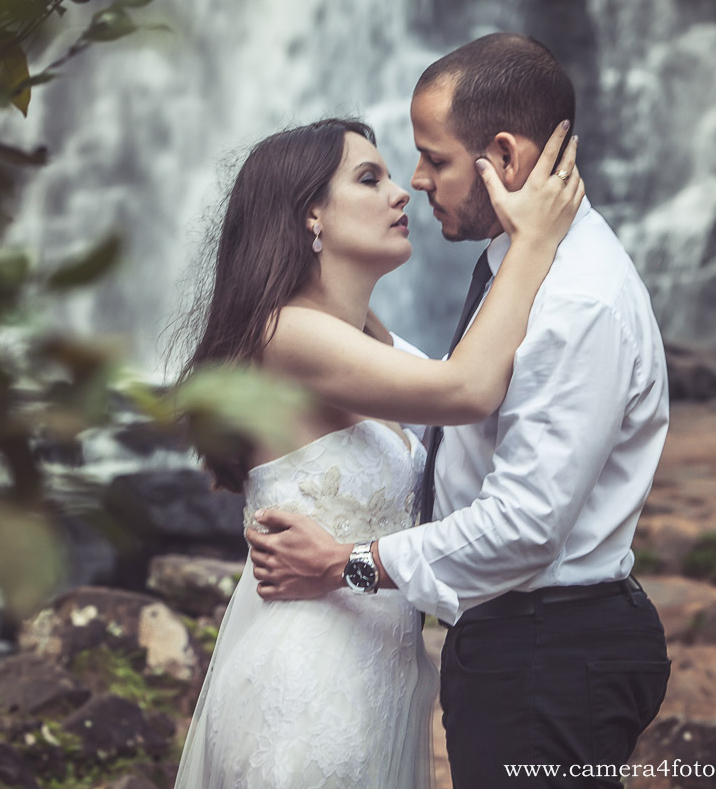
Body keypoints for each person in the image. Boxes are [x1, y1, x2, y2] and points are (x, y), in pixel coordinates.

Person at [247, 34, 671, 789]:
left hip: (551, 654)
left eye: (433, 158)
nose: (414, 183)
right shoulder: (521, 272)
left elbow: (524, 527)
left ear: (504, 159)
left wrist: (345, 565)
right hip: (514, 650)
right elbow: (449, 390)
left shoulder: (571, 300)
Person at [172, 114, 582, 789]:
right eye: (371, 178)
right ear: (311, 215)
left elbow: (472, 407)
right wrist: (533, 239)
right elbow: (468, 387)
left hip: (376, 679)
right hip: (307, 686)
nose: (403, 194)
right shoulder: (285, 335)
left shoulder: (371, 341)